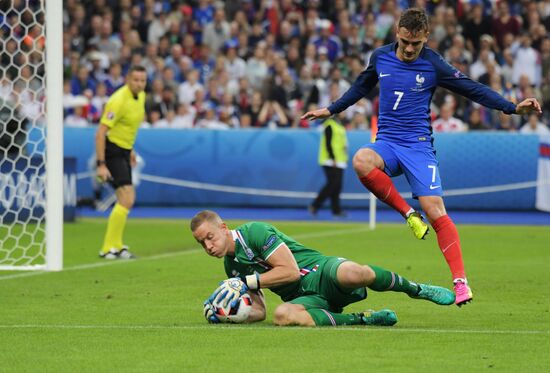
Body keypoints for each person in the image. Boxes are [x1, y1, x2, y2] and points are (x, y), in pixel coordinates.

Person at [301, 8, 542, 306]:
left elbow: (471, 88)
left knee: (436, 210)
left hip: (417, 147)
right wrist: (331, 109)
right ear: (397, 35)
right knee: (361, 160)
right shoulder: (380, 57)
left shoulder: (433, 63)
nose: (410, 49)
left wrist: (511, 107)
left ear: (426, 37)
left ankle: (460, 282)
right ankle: (409, 215)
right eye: (405, 42)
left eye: (416, 43)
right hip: (387, 143)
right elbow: (361, 87)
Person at [192, 210, 455, 327]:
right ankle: (364, 320)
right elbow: (260, 312)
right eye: (201, 242)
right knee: (282, 315)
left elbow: (291, 271)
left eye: (210, 237)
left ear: (223, 227)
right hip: (305, 299)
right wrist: (227, 314)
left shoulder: (254, 232)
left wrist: (246, 283)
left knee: (356, 273)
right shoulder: (232, 267)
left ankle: (416, 289)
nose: (207, 246)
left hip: (321, 271)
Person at [95, 65, 147, 259]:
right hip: (112, 151)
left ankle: (116, 245)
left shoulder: (141, 97)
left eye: (143, 80)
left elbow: (127, 128)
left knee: (125, 200)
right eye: (136, 80)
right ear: (127, 79)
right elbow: (100, 133)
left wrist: (131, 150)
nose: (139, 84)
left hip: (124, 151)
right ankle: (107, 247)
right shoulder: (117, 100)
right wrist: (101, 164)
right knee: (127, 198)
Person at [309, 112, 348, 217]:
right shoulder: (329, 124)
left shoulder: (339, 124)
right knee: (332, 185)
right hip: (330, 161)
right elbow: (328, 142)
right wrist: (332, 158)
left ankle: (336, 210)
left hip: (340, 160)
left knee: (337, 186)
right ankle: (315, 205)